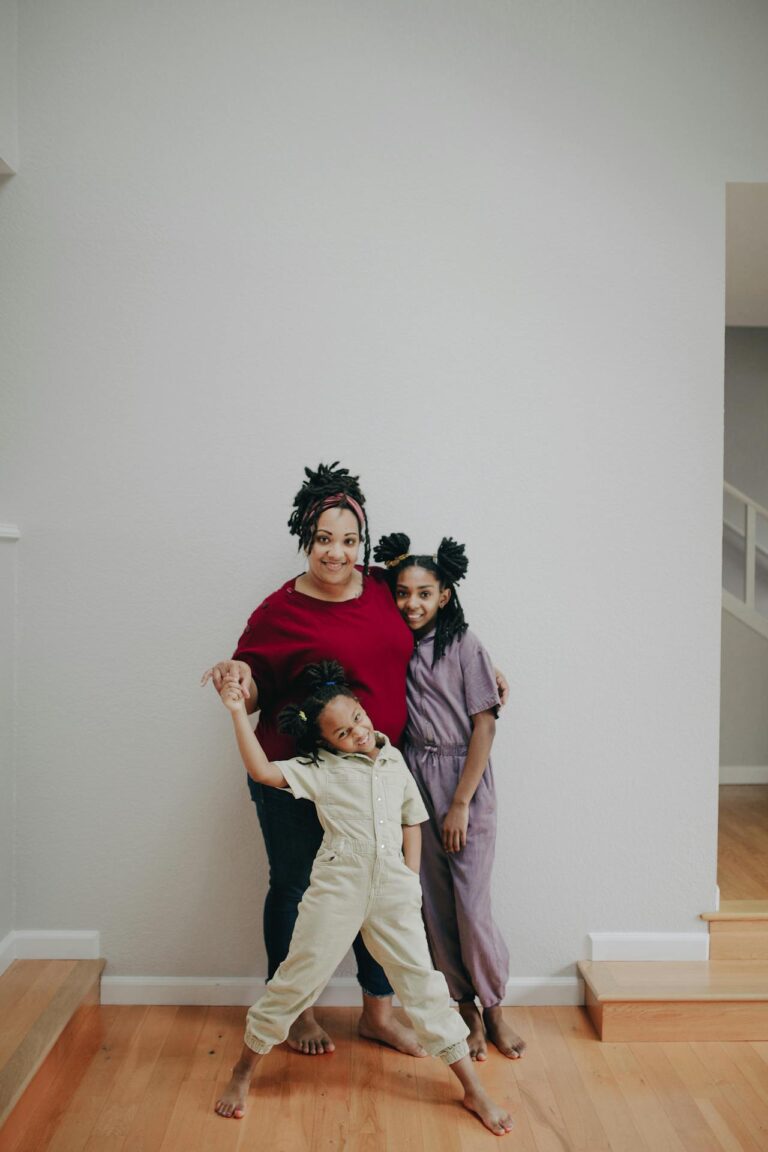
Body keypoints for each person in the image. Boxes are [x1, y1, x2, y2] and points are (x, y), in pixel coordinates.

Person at [201, 461, 509, 1058]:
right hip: (299, 778)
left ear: (361, 543)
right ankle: (298, 1012)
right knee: (293, 888)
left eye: (348, 540)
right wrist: (239, 678)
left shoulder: (381, 590)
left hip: (378, 778)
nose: (336, 553)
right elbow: (255, 678)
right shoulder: (278, 610)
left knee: (383, 888)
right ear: (305, 539)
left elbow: (436, 622)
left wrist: (485, 669)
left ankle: (378, 1013)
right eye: (323, 540)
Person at [213, 661, 514, 1136]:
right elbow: (263, 771)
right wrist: (236, 714)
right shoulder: (319, 770)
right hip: (340, 885)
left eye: (356, 717)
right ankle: (242, 1071)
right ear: (325, 743)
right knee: (298, 979)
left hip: (393, 888)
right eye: (341, 732)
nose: (356, 731)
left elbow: (411, 819)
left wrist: (410, 882)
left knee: (423, 984)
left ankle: (473, 1087)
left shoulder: (393, 760)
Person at [373, 532, 526, 1063]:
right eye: (402, 592)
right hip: (415, 776)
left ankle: (496, 1007)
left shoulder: (465, 645)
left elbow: (485, 725)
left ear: (445, 594)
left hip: (463, 780)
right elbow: (367, 585)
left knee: (471, 906)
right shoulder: (394, 641)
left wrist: (460, 803)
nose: (411, 602)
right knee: (433, 906)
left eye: (423, 592)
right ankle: (464, 1008)